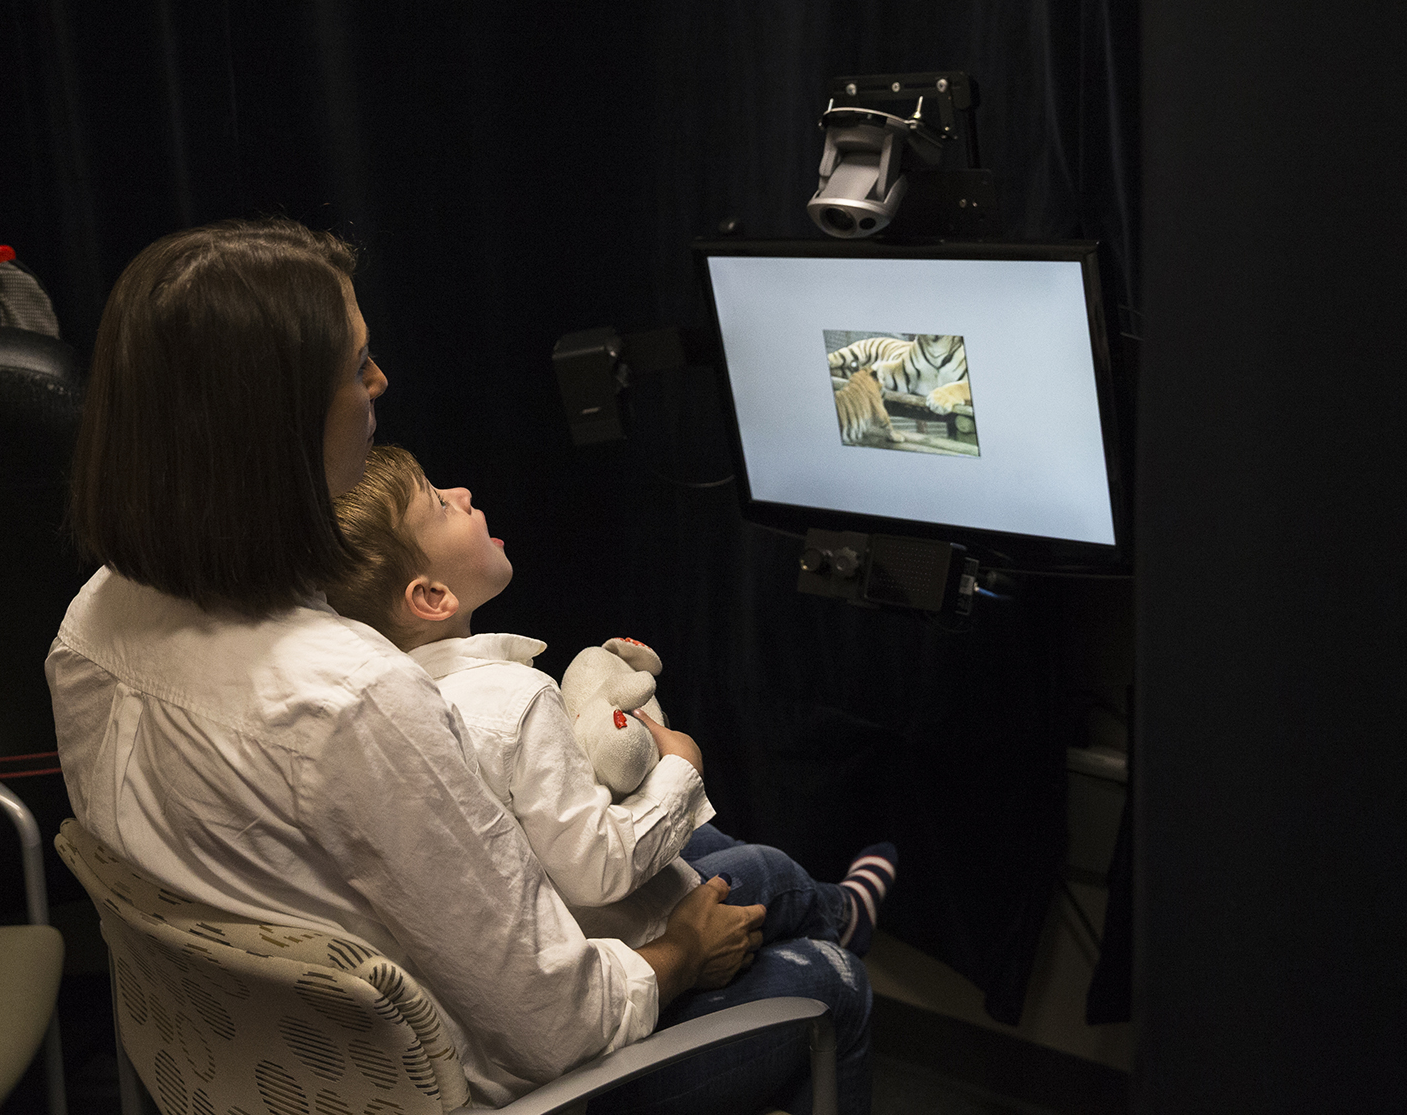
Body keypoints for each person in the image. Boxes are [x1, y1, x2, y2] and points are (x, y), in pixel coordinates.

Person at [46, 219, 863, 1114]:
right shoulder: (351, 699)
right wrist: (677, 958)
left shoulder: (90, 623)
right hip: (490, 1089)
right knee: (828, 982)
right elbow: (558, 1024)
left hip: (242, 1076)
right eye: (358, 367)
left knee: (708, 855)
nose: (380, 383)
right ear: (276, 430)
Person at [322, 442, 897, 979]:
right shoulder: (515, 701)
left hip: (546, 916)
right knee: (771, 871)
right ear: (431, 597)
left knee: (705, 838)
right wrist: (681, 768)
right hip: (620, 941)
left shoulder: (399, 703)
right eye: (442, 505)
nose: (465, 495)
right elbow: (596, 868)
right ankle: (844, 913)